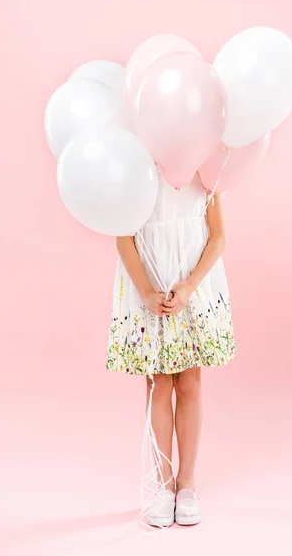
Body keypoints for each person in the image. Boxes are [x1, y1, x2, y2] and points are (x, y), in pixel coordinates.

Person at [105, 164, 236, 527]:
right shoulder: (138, 169)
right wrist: (146, 291)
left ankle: (187, 483)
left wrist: (190, 286)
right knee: (158, 383)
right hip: (150, 283)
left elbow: (218, 236)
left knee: (190, 382)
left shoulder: (206, 171)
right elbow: (124, 237)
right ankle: (163, 484)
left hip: (190, 286)